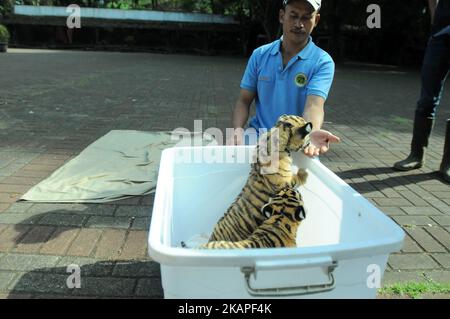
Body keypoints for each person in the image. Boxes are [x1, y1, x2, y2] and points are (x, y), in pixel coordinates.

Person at [229, 0, 340, 157]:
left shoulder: (322, 61)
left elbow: (313, 106)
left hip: (296, 142)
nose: (298, 24)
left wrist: (311, 134)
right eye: (293, 15)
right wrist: (237, 131)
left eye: (306, 17)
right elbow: (244, 100)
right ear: (282, 16)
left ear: (316, 20)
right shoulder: (259, 55)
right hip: (256, 138)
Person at [394, 0, 450, 182]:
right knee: (427, 99)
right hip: (441, 34)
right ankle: (416, 155)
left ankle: (447, 164)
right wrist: (435, 18)